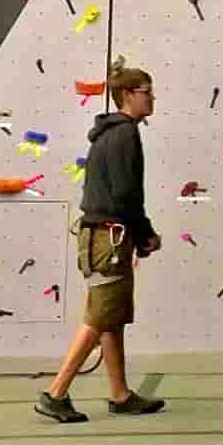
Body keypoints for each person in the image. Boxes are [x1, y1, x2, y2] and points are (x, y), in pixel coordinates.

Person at [35, 67, 167, 422]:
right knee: (98, 318)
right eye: (147, 91)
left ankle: (120, 394)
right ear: (128, 95)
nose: (152, 98)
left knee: (112, 318)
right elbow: (126, 193)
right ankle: (56, 392)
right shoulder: (125, 135)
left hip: (101, 235)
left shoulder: (107, 135)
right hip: (110, 237)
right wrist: (145, 234)